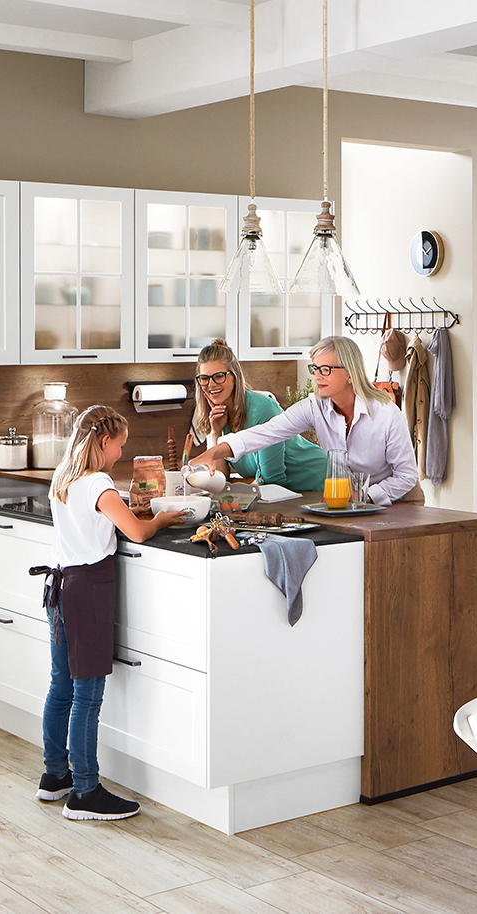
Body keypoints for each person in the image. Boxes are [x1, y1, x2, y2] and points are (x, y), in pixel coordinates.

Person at [37, 405, 183, 820]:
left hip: (61, 587)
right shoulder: (99, 481)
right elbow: (136, 532)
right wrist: (163, 519)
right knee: (88, 694)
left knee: (61, 686)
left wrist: (133, 512)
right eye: (120, 445)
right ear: (104, 442)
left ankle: (54, 776)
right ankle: (85, 792)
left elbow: (101, 518)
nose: (121, 452)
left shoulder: (64, 477)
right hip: (89, 591)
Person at [197, 336, 421, 505]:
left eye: (326, 369)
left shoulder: (386, 414)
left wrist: (364, 496)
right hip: (351, 501)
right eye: (315, 369)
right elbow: (268, 432)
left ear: (350, 373)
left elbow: (406, 476)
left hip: (397, 498)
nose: (317, 377)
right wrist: (214, 452)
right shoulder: (315, 407)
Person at [188, 338, 326, 492]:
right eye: (204, 379)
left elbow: (271, 481)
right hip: (287, 494)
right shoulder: (216, 416)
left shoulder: (262, 408)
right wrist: (215, 433)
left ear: (235, 377)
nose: (211, 384)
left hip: (320, 482)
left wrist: (232, 486)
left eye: (219, 376)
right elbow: (220, 479)